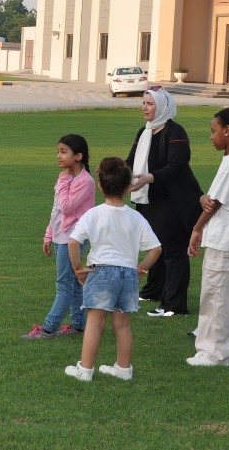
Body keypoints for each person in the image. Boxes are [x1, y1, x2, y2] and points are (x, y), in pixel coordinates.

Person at [63, 157, 162, 381]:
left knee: (95, 323)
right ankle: (124, 369)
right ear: (128, 188)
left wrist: (78, 268)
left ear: (100, 186)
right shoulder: (136, 217)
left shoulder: (94, 214)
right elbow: (156, 249)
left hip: (101, 272)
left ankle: (85, 369)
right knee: (123, 324)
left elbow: (73, 242)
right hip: (127, 274)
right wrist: (141, 269)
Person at [186, 107, 229, 367]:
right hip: (225, 235)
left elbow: (213, 203)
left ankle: (215, 353)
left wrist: (196, 229)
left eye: (214, 131)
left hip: (226, 237)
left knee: (216, 296)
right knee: (221, 294)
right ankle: (228, 343)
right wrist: (205, 199)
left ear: (228, 131)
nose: (211, 137)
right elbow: (211, 199)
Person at [126, 86, 202, 318]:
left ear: (163, 106)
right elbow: (131, 161)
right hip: (149, 199)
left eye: (150, 104)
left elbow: (177, 165)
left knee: (173, 251)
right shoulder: (144, 132)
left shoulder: (174, 131)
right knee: (155, 246)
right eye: (143, 103)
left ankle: (174, 305)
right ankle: (153, 291)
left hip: (173, 201)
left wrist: (150, 177)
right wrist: (118, 173)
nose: (144, 108)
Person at [21, 134, 94, 340]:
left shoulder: (84, 181)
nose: (58, 156)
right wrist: (48, 235)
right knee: (72, 284)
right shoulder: (67, 178)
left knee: (63, 285)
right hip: (61, 237)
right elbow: (56, 210)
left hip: (72, 240)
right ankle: (79, 325)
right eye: (58, 152)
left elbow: (66, 206)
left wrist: (63, 181)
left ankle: (48, 329)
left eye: (64, 152)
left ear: (78, 156)